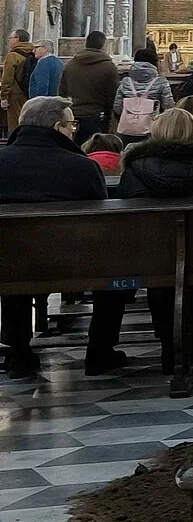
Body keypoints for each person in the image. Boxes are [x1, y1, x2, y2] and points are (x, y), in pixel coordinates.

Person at [85, 105, 193, 376]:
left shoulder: (136, 167)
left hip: (144, 254)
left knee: (148, 274)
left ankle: (111, 350)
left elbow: (123, 207)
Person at [0, 97, 107, 377]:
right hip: (77, 264)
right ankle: (100, 349)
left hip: (7, 263)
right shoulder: (82, 167)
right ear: (58, 127)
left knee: (14, 261)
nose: (73, 130)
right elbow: (104, 220)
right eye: (71, 125)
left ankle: (17, 350)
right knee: (113, 269)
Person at [62, 30, 124, 144]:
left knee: (74, 147)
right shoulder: (109, 67)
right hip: (98, 116)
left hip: (74, 115)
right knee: (97, 148)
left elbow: (62, 92)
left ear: (86, 43)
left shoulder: (70, 65)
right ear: (103, 45)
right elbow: (113, 95)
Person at [112, 45, 175, 138]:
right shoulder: (161, 82)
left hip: (127, 130)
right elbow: (168, 107)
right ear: (155, 63)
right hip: (152, 130)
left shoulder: (126, 82)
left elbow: (117, 108)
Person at [2, 31, 34, 135]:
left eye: (10, 38)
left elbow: (7, 78)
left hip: (15, 94)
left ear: (17, 39)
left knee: (15, 124)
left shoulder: (13, 55)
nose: (9, 40)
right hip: (29, 93)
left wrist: (4, 96)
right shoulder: (33, 53)